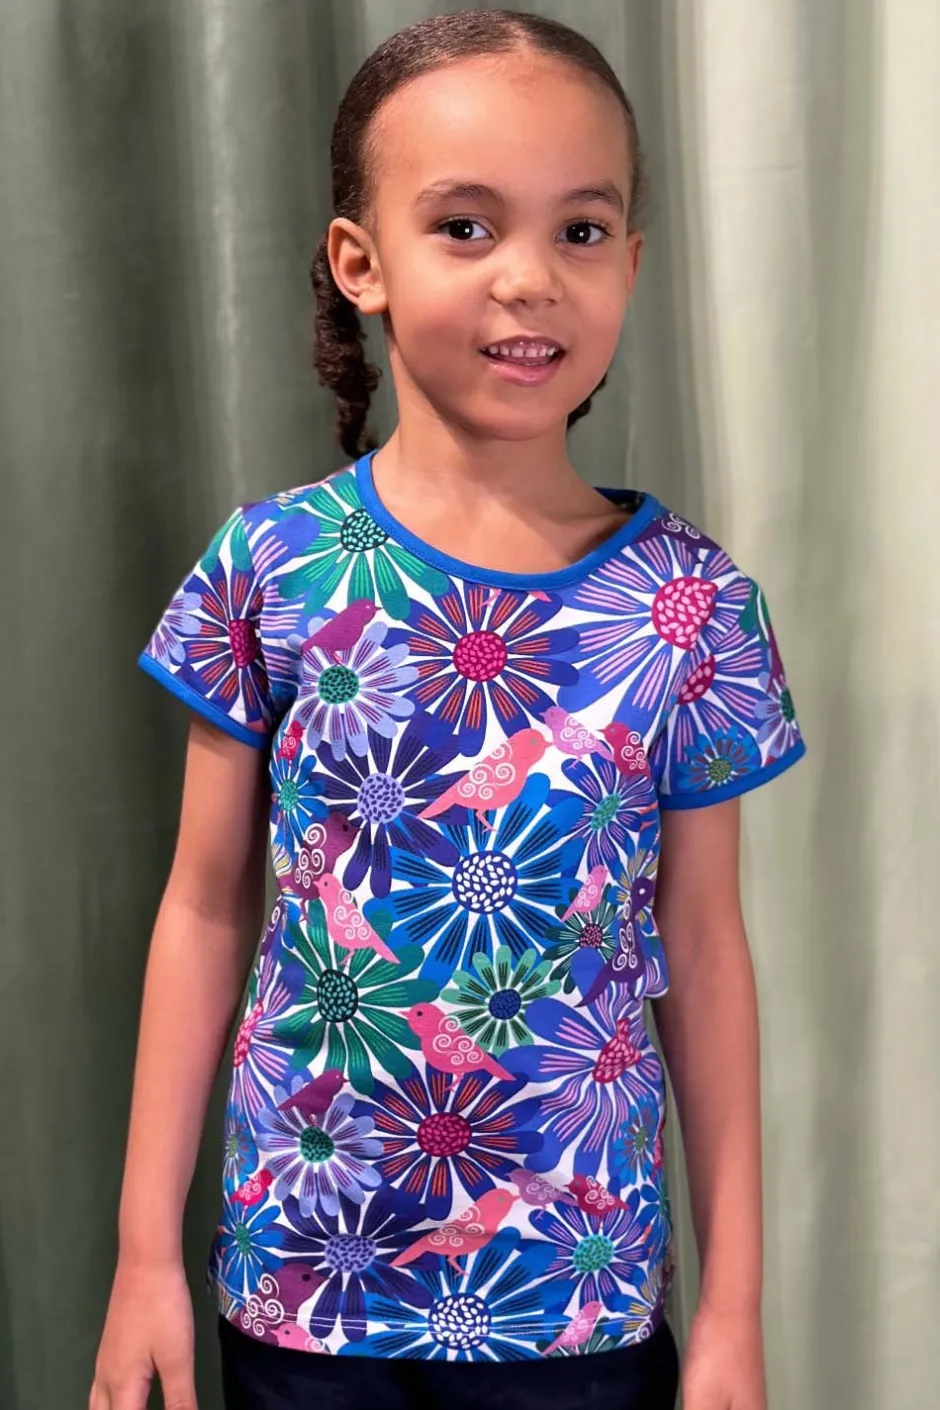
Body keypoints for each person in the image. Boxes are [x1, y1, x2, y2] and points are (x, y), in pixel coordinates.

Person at [90, 9, 805, 1410]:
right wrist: (143, 1257)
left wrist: (733, 1309)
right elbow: (205, 910)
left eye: (580, 231)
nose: (528, 279)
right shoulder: (272, 567)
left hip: (581, 1307)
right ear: (360, 262)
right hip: (303, 1293)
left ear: (631, 263)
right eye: (466, 227)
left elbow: (706, 952)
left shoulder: (691, 605)